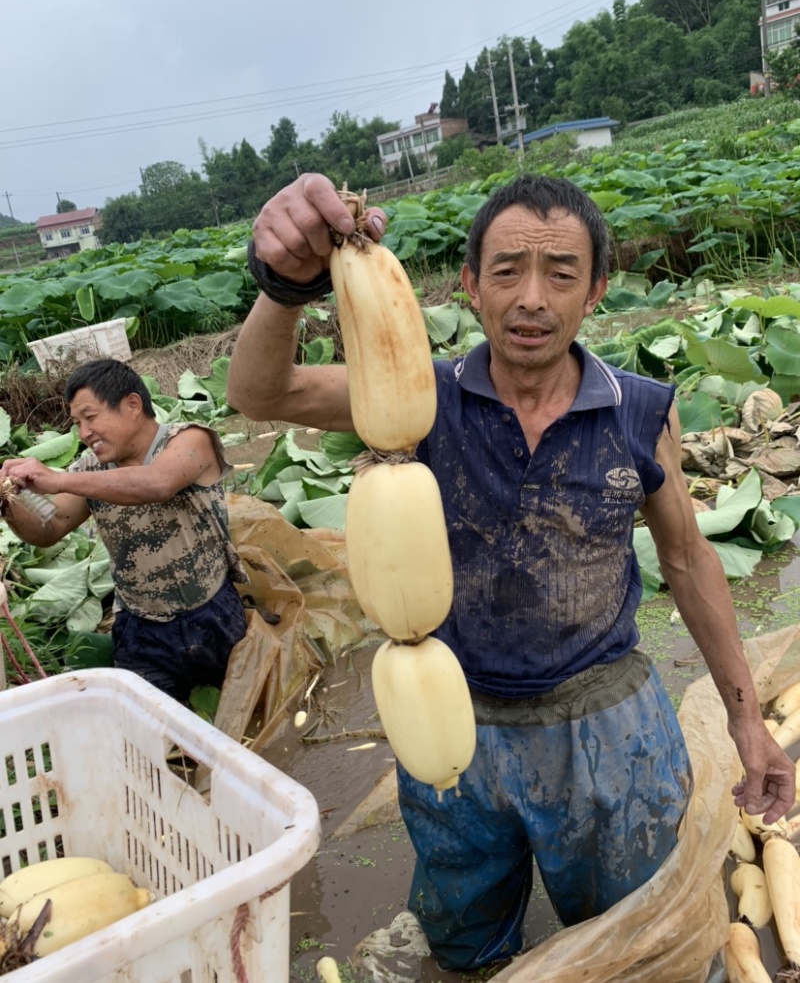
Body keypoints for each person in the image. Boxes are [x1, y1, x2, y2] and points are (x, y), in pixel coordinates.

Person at [226, 172, 795, 971]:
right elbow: (261, 393)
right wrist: (283, 284)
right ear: (470, 284)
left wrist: (743, 717)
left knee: (636, 936)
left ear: (594, 289)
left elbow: (687, 558)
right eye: (505, 271)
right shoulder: (419, 398)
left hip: (606, 726)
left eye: (560, 272)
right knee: (465, 937)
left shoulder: (641, 411)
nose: (532, 297)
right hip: (455, 719)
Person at [0, 358, 248, 703]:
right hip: (142, 629)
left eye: (91, 417)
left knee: (246, 712)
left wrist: (57, 480)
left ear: (132, 404)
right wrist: (7, 502)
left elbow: (158, 483)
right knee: (143, 732)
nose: (84, 433)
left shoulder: (190, 440)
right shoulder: (90, 468)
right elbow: (51, 528)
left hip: (213, 616)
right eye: (77, 423)